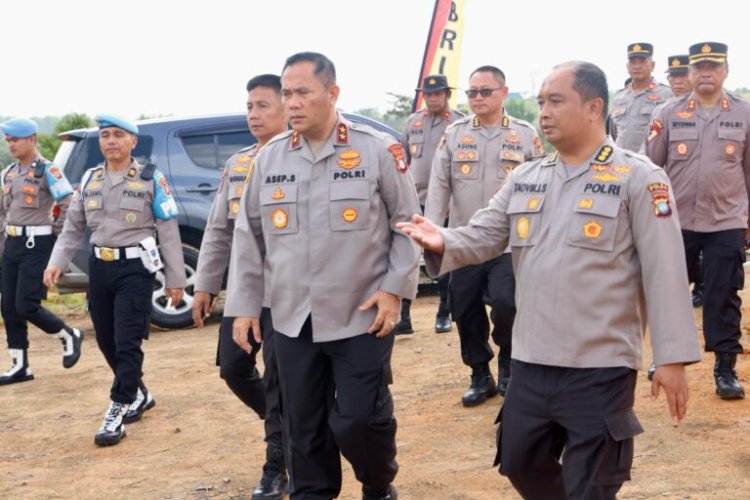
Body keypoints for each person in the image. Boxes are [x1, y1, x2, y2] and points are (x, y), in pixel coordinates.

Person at [398, 61, 701, 499]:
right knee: (518, 459)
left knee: (592, 483)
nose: (544, 112)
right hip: (532, 358)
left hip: (600, 363)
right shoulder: (526, 177)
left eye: (556, 101)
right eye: (541, 102)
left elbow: (666, 270)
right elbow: (484, 234)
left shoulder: (638, 178)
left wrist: (671, 359)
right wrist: (440, 239)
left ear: (594, 107)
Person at [225, 52, 420, 500]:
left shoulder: (375, 150)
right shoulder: (271, 157)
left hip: (361, 313)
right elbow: (248, 239)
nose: (291, 103)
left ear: (332, 93)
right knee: (303, 425)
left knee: (357, 419)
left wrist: (395, 291)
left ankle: (378, 483)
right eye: (287, 94)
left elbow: (408, 224)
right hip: (292, 316)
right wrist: (244, 307)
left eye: (302, 93)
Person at [44, 114, 186, 445]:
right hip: (101, 269)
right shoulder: (90, 179)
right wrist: (56, 263)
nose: (110, 141)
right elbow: (72, 228)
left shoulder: (151, 178)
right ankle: (138, 392)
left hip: (135, 270)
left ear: (132, 142)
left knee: (127, 341)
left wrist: (175, 278)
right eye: (105, 135)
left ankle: (117, 408)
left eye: (118, 135)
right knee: (107, 339)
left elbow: (168, 230)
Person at [192, 74, 288, 499]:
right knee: (234, 367)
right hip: (247, 292)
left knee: (282, 381)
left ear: (287, 106)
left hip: (292, 293)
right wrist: (205, 286)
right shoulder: (239, 164)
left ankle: (278, 464)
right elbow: (218, 230)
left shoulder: (304, 158)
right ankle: (294, 430)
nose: (253, 114)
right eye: (249, 106)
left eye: (263, 105)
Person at [424, 65, 545, 405]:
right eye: (472, 92)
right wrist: (432, 230)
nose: (477, 98)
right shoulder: (456, 133)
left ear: (503, 93)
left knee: (507, 304)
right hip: (465, 241)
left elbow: (543, 181)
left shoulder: (522, 134)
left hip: (509, 243)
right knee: (463, 306)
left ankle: (508, 358)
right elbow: (439, 184)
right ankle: (480, 372)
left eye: (485, 91)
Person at [646, 42, 750, 400]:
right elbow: (651, 168)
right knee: (669, 292)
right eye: (699, 67)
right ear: (689, 74)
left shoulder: (745, 113)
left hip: (727, 220)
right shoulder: (668, 113)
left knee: (723, 294)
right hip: (676, 221)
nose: (705, 73)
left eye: (713, 66)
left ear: (725, 71)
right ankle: (666, 356)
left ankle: (725, 368)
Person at [0, 118, 83, 385]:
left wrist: (58, 240)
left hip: (37, 244)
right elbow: (4, 210)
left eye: (15, 139)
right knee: (9, 307)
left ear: (32, 139)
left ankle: (68, 334)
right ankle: (20, 365)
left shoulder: (49, 170)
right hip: (11, 244)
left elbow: (68, 203)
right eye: (8, 139)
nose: (10, 144)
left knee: (26, 305)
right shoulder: (8, 172)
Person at [395, 74, 464, 335]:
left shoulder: (459, 123)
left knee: (443, 258)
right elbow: (401, 160)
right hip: (415, 201)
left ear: (447, 94)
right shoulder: (413, 122)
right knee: (407, 255)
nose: (432, 98)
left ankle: (444, 313)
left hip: (446, 204)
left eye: (437, 93)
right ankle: (403, 317)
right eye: (428, 93)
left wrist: (453, 202)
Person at [610, 43, 672, 152]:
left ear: (652, 65)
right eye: (633, 63)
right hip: (621, 163)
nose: (637, 67)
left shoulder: (667, 94)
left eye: (642, 62)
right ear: (627, 67)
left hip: (650, 163)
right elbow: (615, 131)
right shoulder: (620, 97)